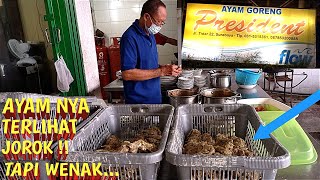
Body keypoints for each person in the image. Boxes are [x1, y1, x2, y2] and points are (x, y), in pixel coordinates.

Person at [120, 0, 182, 104]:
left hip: (154, 98)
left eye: (163, 22)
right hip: (139, 103)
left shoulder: (150, 34)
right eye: (158, 21)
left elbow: (147, 64)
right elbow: (127, 74)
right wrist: (161, 71)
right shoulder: (129, 38)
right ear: (146, 17)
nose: (160, 25)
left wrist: (166, 68)